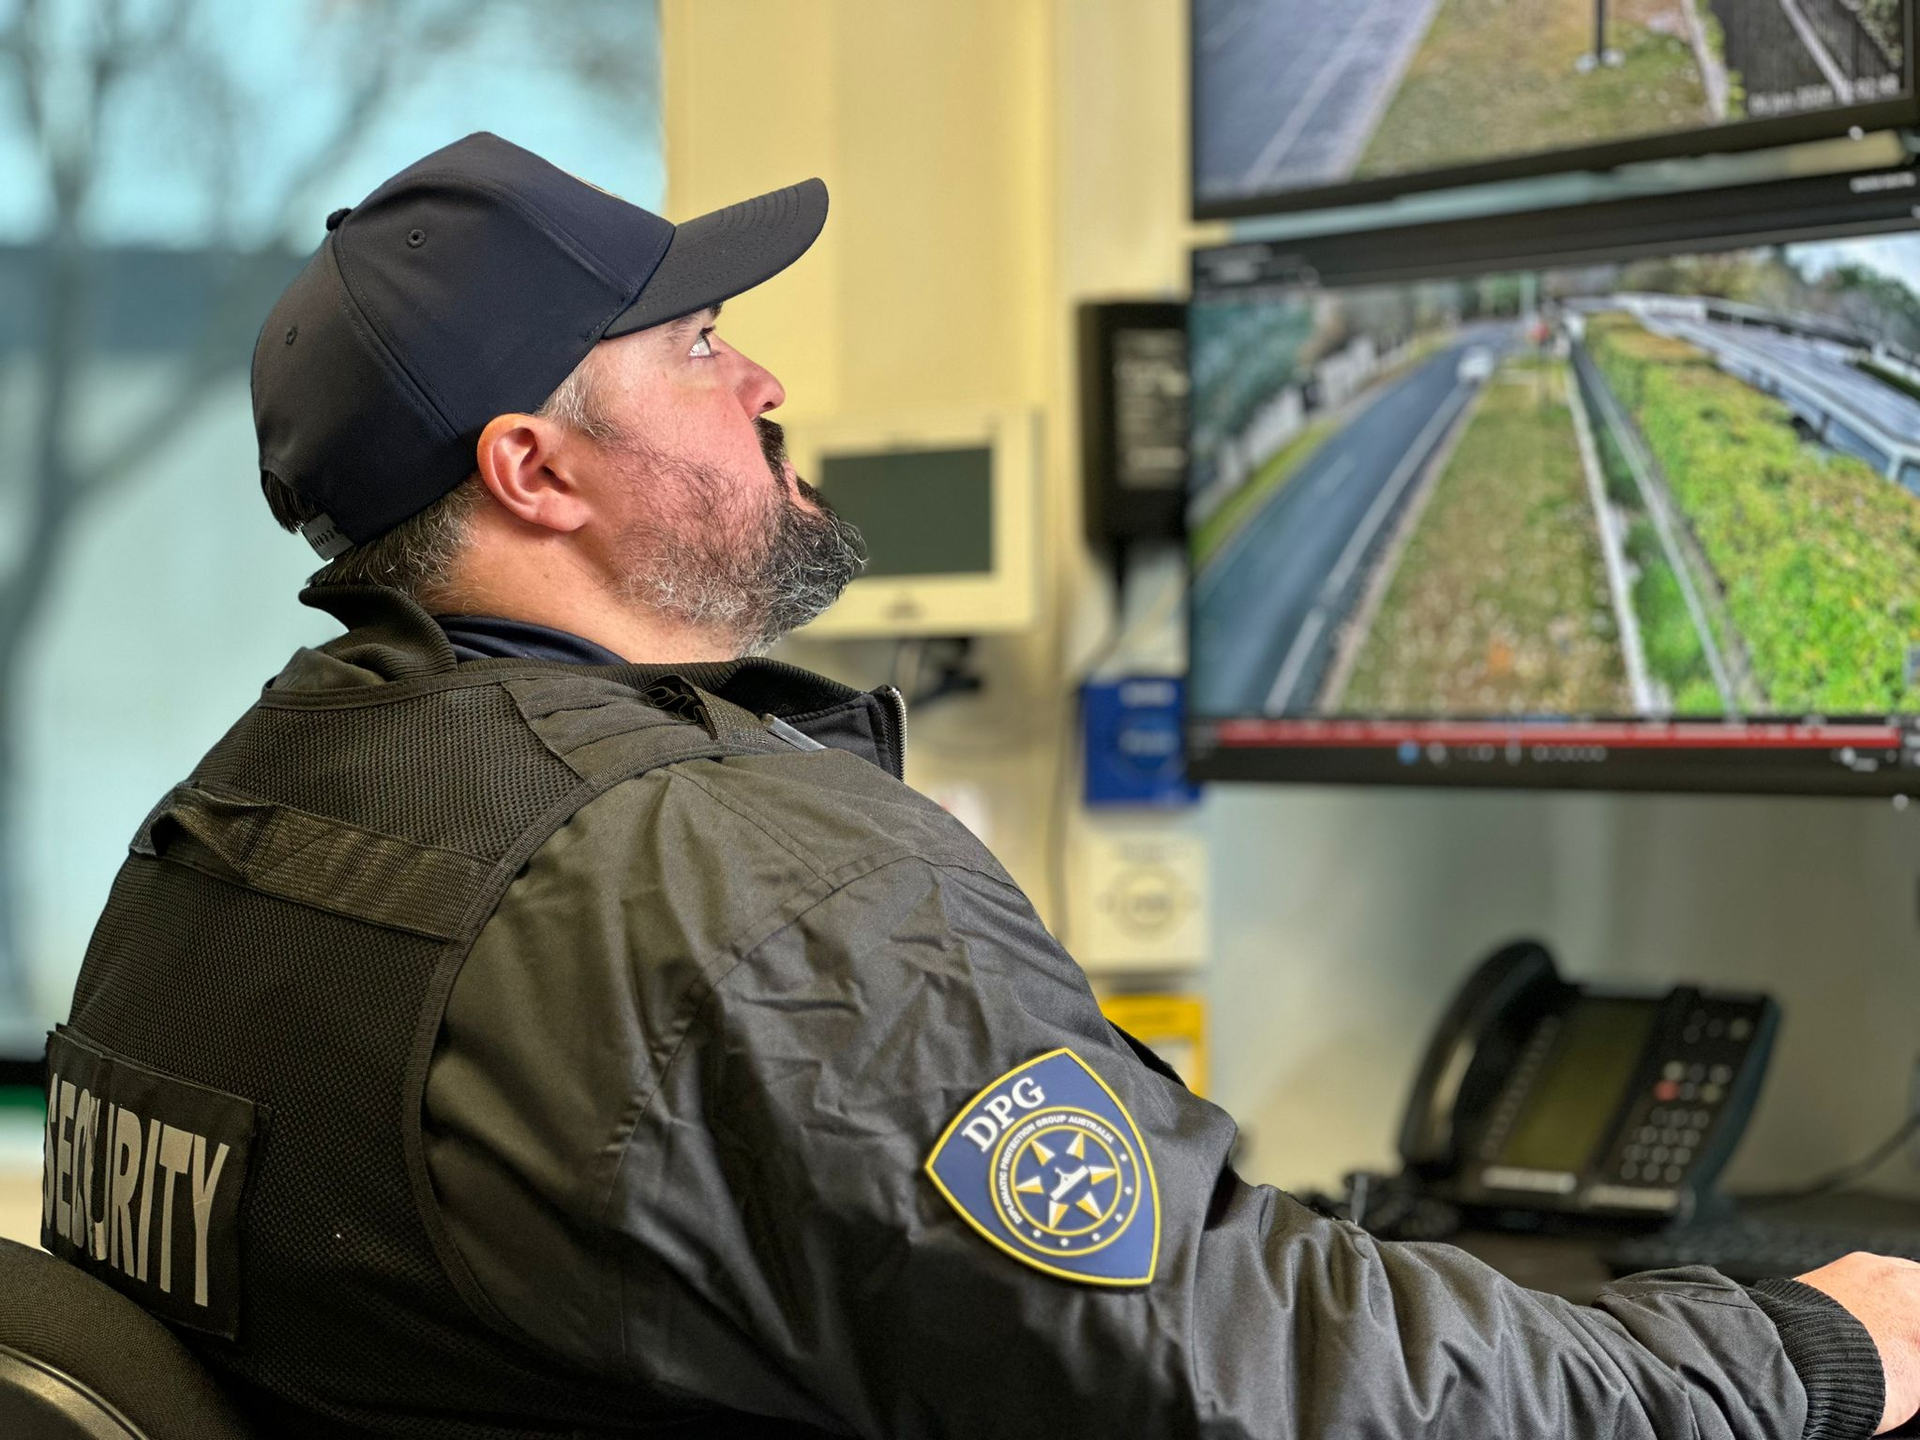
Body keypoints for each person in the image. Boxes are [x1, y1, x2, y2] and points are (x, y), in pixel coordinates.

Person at [39, 131, 1920, 1440]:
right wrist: (1809, 1347)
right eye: (695, 345)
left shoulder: (230, 821)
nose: (762, 369)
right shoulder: (753, 896)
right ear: (537, 471)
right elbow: (1274, 1384)